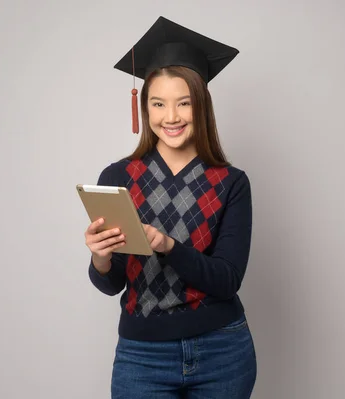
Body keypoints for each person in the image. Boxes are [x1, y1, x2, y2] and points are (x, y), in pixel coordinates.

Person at [84, 16, 256, 398]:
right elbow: (110, 284)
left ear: (202, 106)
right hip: (142, 357)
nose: (171, 117)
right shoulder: (118, 176)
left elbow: (227, 279)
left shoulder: (231, 183)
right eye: (158, 103)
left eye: (184, 103)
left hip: (222, 351)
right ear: (145, 107)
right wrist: (99, 258)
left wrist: (167, 246)